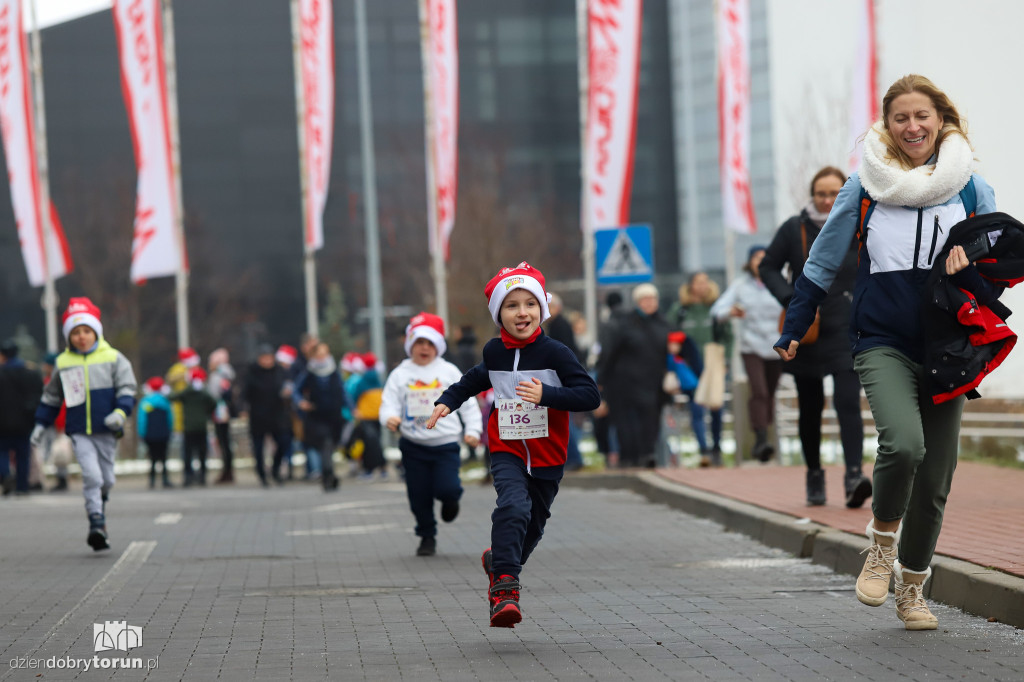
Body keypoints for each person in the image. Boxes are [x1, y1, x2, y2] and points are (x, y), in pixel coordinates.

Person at [775, 75, 1003, 630]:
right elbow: (822, 263)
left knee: (937, 478)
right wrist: (795, 323)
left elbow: (994, 277)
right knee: (903, 445)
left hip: (948, 345)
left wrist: (968, 270)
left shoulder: (972, 188)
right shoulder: (864, 187)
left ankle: (913, 589)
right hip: (882, 340)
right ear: (887, 124)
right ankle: (880, 543)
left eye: (922, 116)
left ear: (940, 119)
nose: (912, 126)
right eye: (901, 117)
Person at [426, 262, 600, 628]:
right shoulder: (495, 353)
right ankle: (505, 588)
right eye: (512, 305)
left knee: (533, 526)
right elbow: (472, 380)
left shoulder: (556, 353)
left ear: (542, 309)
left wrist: (547, 394)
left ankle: (499, 561)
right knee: (513, 506)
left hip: (549, 455)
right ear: (498, 315)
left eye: (530, 304)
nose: (522, 312)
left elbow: (589, 396)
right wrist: (448, 400)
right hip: (506, 447)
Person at [761, 166, 872, 508]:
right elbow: (767, 266)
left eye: (834, 194)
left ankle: (854, 476)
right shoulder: (794, 229)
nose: (827, 201)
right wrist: (790, 299)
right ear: (812, 196)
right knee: (810, 407)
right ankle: (814, 475)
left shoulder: (859, 225)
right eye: (820, 194)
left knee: (848, 401)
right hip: (807, 329)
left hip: (847, 325)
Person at [31, 297, 137, 551]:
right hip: (79, 431)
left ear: (96, 332)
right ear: (69, 336)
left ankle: (99, 505)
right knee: (91, 475)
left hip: (108, 430)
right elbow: (52, 397)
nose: (81, 337)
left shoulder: (114, 358)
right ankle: (96, 523)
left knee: (106, 479)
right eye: (76, 332)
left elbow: (128, 388)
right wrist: (40, 424)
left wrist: (121, 413)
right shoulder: (63, 362)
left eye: (86, 331)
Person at [380, 313, 482, 556]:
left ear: (438, 346)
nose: (424, 348)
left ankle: (451, 499)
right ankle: (427, 535)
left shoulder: (448, 371)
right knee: (418, 495)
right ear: (410, 345)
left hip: (445, 444)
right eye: (418, 343)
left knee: (446, 487)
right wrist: (390, 418)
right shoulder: (400, 374)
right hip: (413, 445)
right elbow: (389, 402)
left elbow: (467, 403)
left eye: (429, 343)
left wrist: (473, 430)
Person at [712, 246, 784, 463]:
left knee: (770, 393)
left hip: (776, 345)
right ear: (749, 262)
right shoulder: (741, 285)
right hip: (751, 346)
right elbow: (717, 310)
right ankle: (760, 439)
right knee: (759, 391)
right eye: (756, 258)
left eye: (764, 258)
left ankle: (765, 435)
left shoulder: (779, 282)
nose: (760, 262)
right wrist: (730, 312)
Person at [597, 283, 670, 468]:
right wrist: (601, 380)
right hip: (625, 382)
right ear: (637, 302)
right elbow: (610, 353)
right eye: (645, 299)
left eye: (652, 299)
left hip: (653, 381)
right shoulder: (626, 324)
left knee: (650, 421)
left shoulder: (664, 323)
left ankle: (647, 454)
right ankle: (629, 457)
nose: (649, 303)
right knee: (626, 422)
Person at [667, 272, 732, 465]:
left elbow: (727, 336)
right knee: (696, 409)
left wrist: (725, 360)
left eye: (705, 282)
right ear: (690, 286)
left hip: (713, 364)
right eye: (698, 282)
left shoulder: (715, 308)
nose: (703, 286)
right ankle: (703, 450)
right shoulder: (680, 311)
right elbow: (670, 335)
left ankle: (717, 448)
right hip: (690, 368)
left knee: (716, 407)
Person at [293, 341, 345, 491]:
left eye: (325, 354)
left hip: (334, 415)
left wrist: (352, 409)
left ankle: (328, 474)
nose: (322, 357)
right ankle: (328, 474)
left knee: (330, 446)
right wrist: (301, 402)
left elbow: (343, 392)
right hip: (317, 416)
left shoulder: (334, 372)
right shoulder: (309, 373)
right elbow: (297, 390)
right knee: (325, 443)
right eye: (319, 354)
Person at [243, 344, 292, 487]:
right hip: (258, 414)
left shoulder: (279, 371)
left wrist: (287, 394)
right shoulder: (252, 372)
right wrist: (242, 408)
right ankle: (262, 474)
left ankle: (276, 469)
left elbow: (288, 385)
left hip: (277, 413)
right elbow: (245, 392)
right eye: (264, 358)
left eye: (269, 357)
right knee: (258, 447)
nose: (267, 361)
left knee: (284, 441)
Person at [0, 339, 43, 495]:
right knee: (23, 455)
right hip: (24, 422)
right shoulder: (29, 372)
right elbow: (38, 394)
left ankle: (5, 475)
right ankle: (22, 486)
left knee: (2, 451)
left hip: (2, 423)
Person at [171, 367, 217, 486]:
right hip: (201, 427)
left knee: (188, 454)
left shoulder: (187, 392)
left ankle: (188, 477)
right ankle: (202, 477)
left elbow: (173, 397)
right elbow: (213, 403)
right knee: (201, 454)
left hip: (189, 428)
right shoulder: (203, 393)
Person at [137, 377, 174, 489]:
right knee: (163, 457)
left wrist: (142, 433)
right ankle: (165, 479)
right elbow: (170, 419)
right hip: (164, 435)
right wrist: (169, 431)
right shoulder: (165, 401)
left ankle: (152, 480)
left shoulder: (145, 402)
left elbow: (142, 420)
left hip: (150, 435)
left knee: (152, 458)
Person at [207, 348, 237, 484]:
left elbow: (212, 395)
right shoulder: (228, 375)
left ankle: (227, 471)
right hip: (226, 411)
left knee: (223, 442)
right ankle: (228, 470)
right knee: (226, 442)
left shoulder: (217, 376)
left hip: (219, 412)